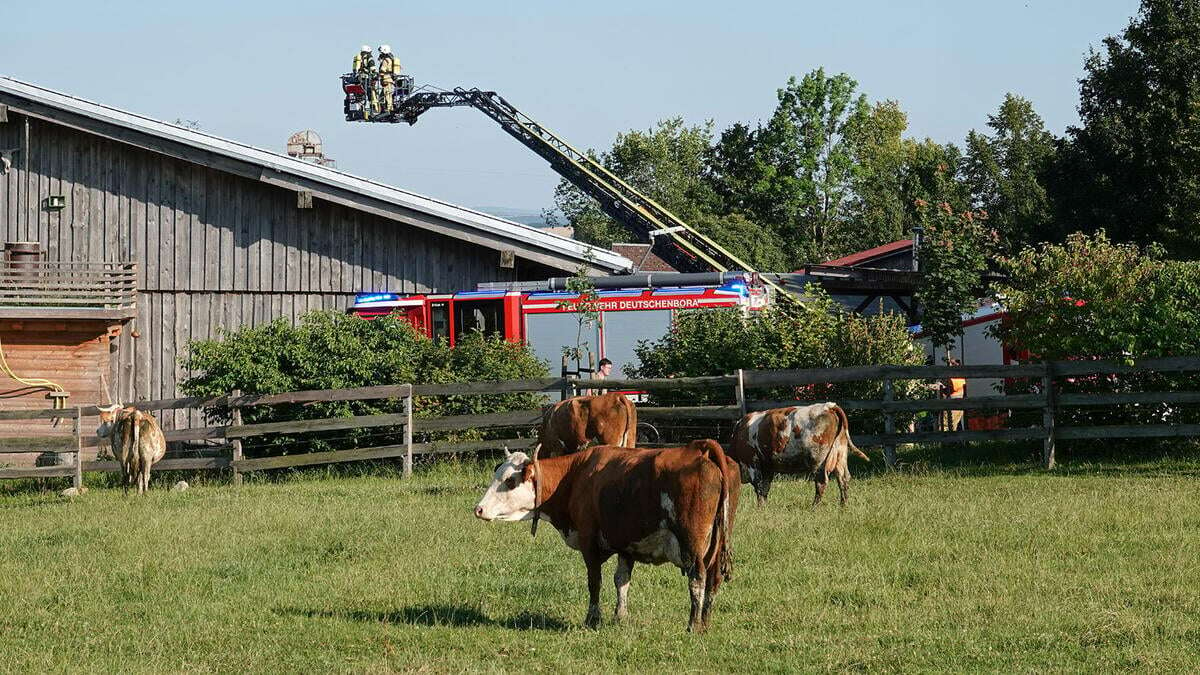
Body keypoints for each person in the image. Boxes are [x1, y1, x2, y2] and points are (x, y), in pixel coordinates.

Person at [940, 357, 967, 431]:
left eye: (951, 364)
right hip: (960, 403)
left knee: (946, 425)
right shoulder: (961, 377)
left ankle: (946, 441)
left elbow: (942, 385)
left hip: (952, 403)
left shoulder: (952, 378)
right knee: (956, 425)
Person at [352, 45, 376, 119]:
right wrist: (375, 75)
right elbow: (372, 68)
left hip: (358, 79)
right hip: (366, 78)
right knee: (371, 94)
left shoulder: (358, 58)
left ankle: (359, 111)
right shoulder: (369, 57)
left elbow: (355, 69)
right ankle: (373, 110)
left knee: (359, 96)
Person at [377, 45, 401, 114]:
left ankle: (389, 109)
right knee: (384, 96)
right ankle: (384, 109)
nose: (380, 54)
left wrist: (377, 75)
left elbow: (382, 70)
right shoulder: (390, 59)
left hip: (386, 79)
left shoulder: (386, 60)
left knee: (387, 95)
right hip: (389, 80)